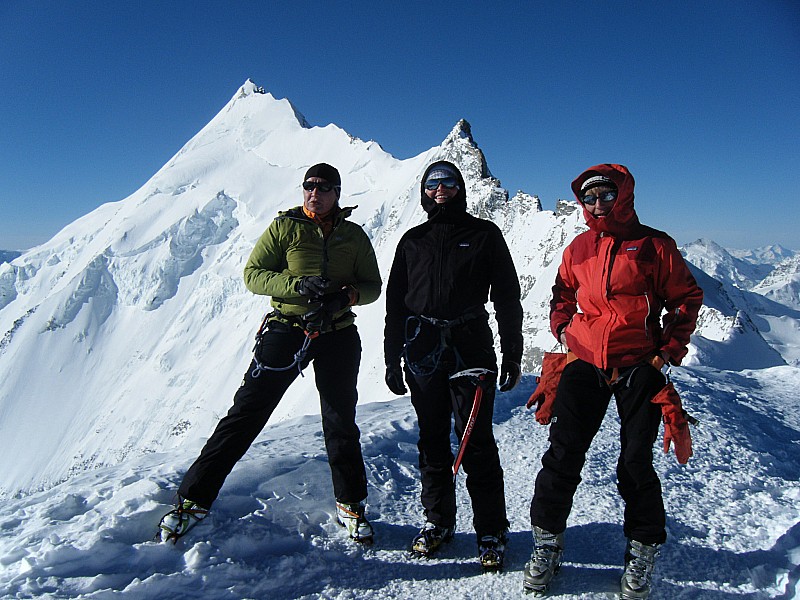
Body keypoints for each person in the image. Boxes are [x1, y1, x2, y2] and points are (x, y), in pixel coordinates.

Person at [158, 163, 382, 544]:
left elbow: (373, 285)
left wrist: (346, 297)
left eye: (324, 187)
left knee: (340, 420)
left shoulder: (354, 236)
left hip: (338, 332)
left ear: (337, 193)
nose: (316, 193)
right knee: (247, 412)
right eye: (309, 186)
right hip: (287, 328)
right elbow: (254, 274)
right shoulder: (285, 228)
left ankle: (351, 504)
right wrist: (298, 284)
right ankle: (192, 499)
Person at [522, 164, 703, 598]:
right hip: (584, 362)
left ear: (622, 196)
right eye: (590, 198)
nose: (598, 203)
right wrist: (564, 328)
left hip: (638, 364)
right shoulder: (578, 248)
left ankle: (642, 549)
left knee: (635, 463)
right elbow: (562, 293)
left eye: (606, 194)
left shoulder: (654, 245)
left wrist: (665, 354)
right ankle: (547, 543)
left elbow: (685, 298)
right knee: (562, 455)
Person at [384, 160, 523, 570]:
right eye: (432, 184)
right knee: (431, 439)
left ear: (461, 188)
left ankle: (491, 530)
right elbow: (395, 306)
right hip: (423, 347)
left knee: (475, 439)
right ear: (423, 191)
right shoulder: (412, 241)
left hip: (470, 347)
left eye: (447, 182)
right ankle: (438, 522)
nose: (439, 189)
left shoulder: (484, 235)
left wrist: (511, 352)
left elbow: (507, 298)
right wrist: (392, 358)